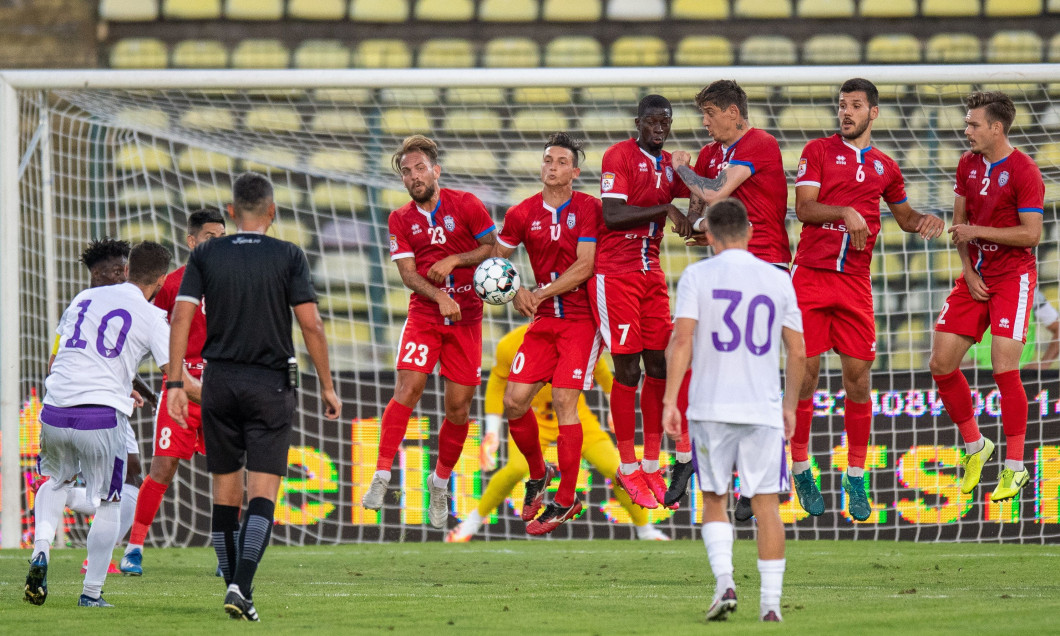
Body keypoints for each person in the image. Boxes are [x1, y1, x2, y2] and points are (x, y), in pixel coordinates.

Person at [166, 172, 341, 621]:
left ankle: (232, 585)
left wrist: (172, 383)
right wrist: (325, 383)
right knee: (262, 493)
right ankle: (241, 587)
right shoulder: (288, 254)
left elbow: (180, 318)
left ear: (230, 212)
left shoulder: (205, 253)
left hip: (218, 384)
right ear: (272, 212)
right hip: (269, 384)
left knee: (225, 494)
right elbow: (311, 325)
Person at [789, 78, 944, 521]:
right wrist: (844, 211)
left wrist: (925, 222)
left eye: (855, 106)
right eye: (842, 105)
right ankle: (801, 466)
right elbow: (804, 208)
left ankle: (855, 478)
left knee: (857, 380)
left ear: (873, 113)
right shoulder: (817, 151)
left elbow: (905, 216)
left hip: (854, 282)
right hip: (812, 277)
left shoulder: (886, 167)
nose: (846, 113)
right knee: (807, 375)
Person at [25, 241, 196, 607]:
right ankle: (91, 593)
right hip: (101, 416)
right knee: (110, 502)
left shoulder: (83, 300)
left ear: (129, 267)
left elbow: (63, 359)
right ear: (162, 279)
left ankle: (41, 549)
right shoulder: (153, 318)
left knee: (54, 482)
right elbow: (178, 377)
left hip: (54, 407)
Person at [662, 198, 805, 622]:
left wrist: (671, 399)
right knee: (766, 506)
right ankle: (771, 606)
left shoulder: (696, 276)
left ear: (708, 235)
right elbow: (798, 350)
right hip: (761, 407)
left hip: (709, 407)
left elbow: (682, 341)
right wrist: (790, 405)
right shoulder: (777, 279)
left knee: (713, 498)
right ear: (751, 233)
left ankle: (725, 580)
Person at [667, 79, 792, 514]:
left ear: (734, 113)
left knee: (755, 370)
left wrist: (678, 167)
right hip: (722, 264)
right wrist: (689, 220)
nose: (704, 122)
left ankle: (768, 474)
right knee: (699, 361)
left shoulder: (760, 143)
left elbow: (716, 192)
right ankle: (688, 458)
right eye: (702, 114)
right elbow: (698, 214)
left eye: (710, 114)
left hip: (766, 264)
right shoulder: (710, 154)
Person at [361, 135, 497, 530]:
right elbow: (407, 274)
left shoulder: (466, 204)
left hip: (467, 318)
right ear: (403, 180)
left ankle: (439, 483)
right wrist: (438, 295)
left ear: (436, 170)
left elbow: (491, 246)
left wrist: (455, 258)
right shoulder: (399, 219)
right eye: (407, 171)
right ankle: (382, 474)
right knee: (409, 388)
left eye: (420, 168)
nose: (414, 175)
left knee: (458, 408)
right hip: (425, 314)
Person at [445, 324, 669, 542]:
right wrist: (492, 431)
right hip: (536, 419)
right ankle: (471, 523)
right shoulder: (509, 345)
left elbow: (600, 371)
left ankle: (645, 530)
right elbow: (496, 383)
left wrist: (613, 405)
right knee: (516, 468)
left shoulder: (575, 337)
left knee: (614, 468)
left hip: (575, 415)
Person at [928, 91, 1045, 503]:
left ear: (997, 127)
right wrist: (967, 267)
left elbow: (1032, 235)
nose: (967, 130)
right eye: (966, 123)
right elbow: (960, 226)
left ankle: (1015, 467)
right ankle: (977, 445)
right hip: (976, 276)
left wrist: (979, 234)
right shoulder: (966, 164)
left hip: (1013, 277)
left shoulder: (1025, 171)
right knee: (940, 363)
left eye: (974, 124)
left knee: (1002, 368)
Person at [489, 132, 604, 534]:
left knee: (563, 401)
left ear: (574, 171)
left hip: (581, 319)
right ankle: (540, 473)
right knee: (514, 402)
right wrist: (513, 286)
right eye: (546, 160)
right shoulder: (522, 213)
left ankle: (566, 499)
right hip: (543, 322)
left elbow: (585, 265)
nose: (551, 166)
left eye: (560, 161)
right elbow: (496, 259)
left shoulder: (589, 208)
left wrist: (537, 292)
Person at [591, 94, 693, 511]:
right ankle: (628, 468)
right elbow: (612, 215)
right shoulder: (618, 156)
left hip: (650, 271)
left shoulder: (669, 163)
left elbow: (703, 192)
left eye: (664, 121)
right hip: (615, 273)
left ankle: (652, 463)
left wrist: (693, 182)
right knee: (627, 368)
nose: (658, 127)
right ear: (638, 122)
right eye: (651, 120)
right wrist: (667, 207)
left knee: (659, 365)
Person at [120, 208, 226, 576]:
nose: (219, 243)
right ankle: (134, 547)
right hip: (180, 387)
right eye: (212, 237)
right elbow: (139, 328)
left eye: (223, 237)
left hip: (220, 387)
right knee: (162, 469)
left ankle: (225, 551)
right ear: (192, 241)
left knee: (227, 472)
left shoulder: (235, 281)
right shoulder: (171, 284)